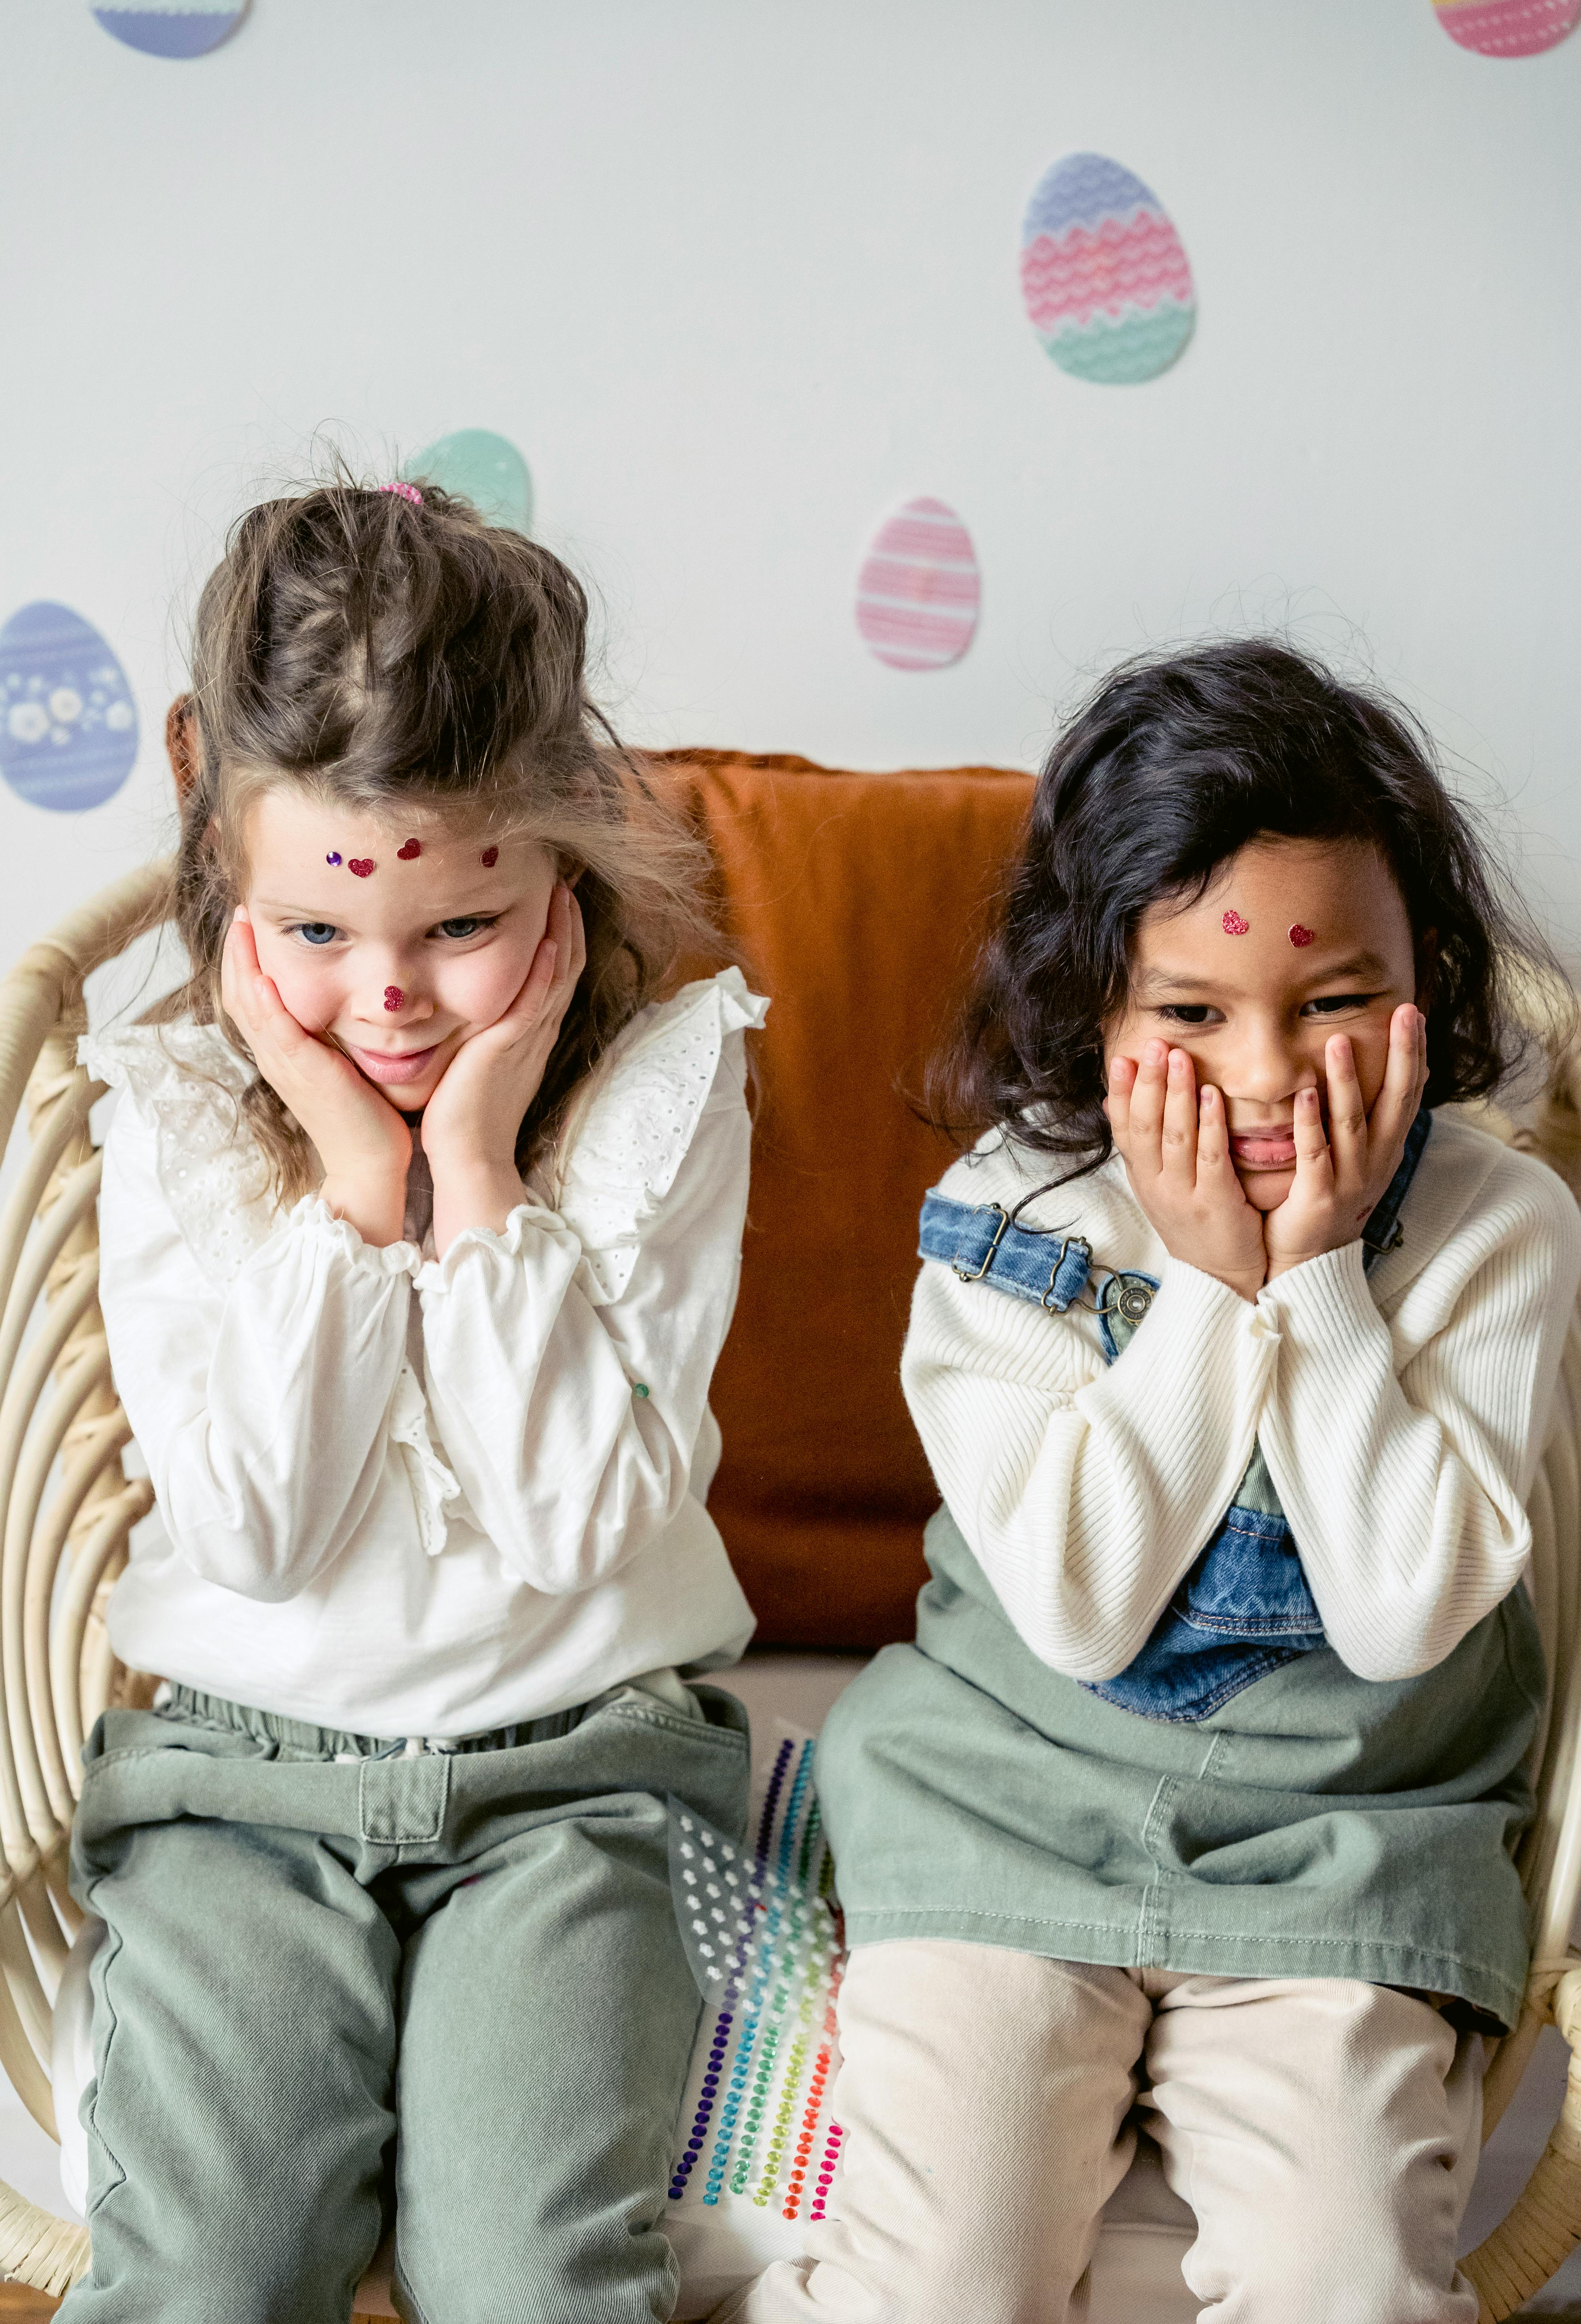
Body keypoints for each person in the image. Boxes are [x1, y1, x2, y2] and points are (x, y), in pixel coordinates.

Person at [721, 641, 1581, 2324]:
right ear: (1089, 1013)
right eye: (1190, 1015)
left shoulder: (1498, 1230)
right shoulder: (1014, 1227)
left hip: (1349, 1845)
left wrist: (1318, 1281)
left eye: (1333, 1003)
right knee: (942, 2285)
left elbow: (1408, 1612)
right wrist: (1206, 1292)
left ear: (1429, 985)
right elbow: (1083, 1608)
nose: (1266, 1079)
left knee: (1350, 2287)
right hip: (1006, 1807)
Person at [66, 478, 763, 2324]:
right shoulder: (178, 1118)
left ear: (566, 856)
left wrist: (476, 1168)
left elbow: (574, 1530)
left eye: (458, 927)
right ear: (223, 851)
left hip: (576, 1780)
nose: (384, 1000)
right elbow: (264, 1540)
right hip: (240, 1787)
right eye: (313, 932)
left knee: (531, 2275)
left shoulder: (662, 1101)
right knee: (209, 2271)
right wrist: (350, 1186)